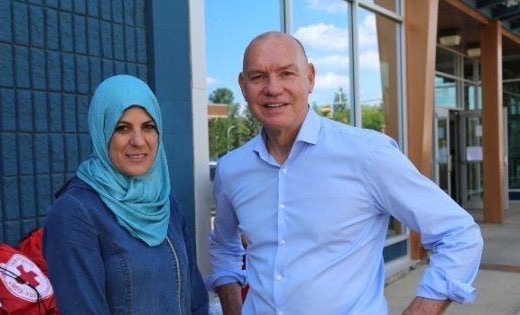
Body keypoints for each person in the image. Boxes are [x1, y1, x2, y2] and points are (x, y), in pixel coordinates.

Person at [207, 31, 483, 315]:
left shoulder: (368, 154)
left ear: (310, 78)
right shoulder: (232, 169)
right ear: (243, 86)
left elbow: (459, 234)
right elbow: (224, 246)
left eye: (287, 73)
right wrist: (232, 308)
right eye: (258, 77)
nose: (273, 88)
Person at [43, 74, 209, 314]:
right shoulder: (75, 212)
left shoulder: (165, 202)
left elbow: (196, 300)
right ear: (102, 130)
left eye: (148, 127)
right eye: (122, 128)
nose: (139, 141)